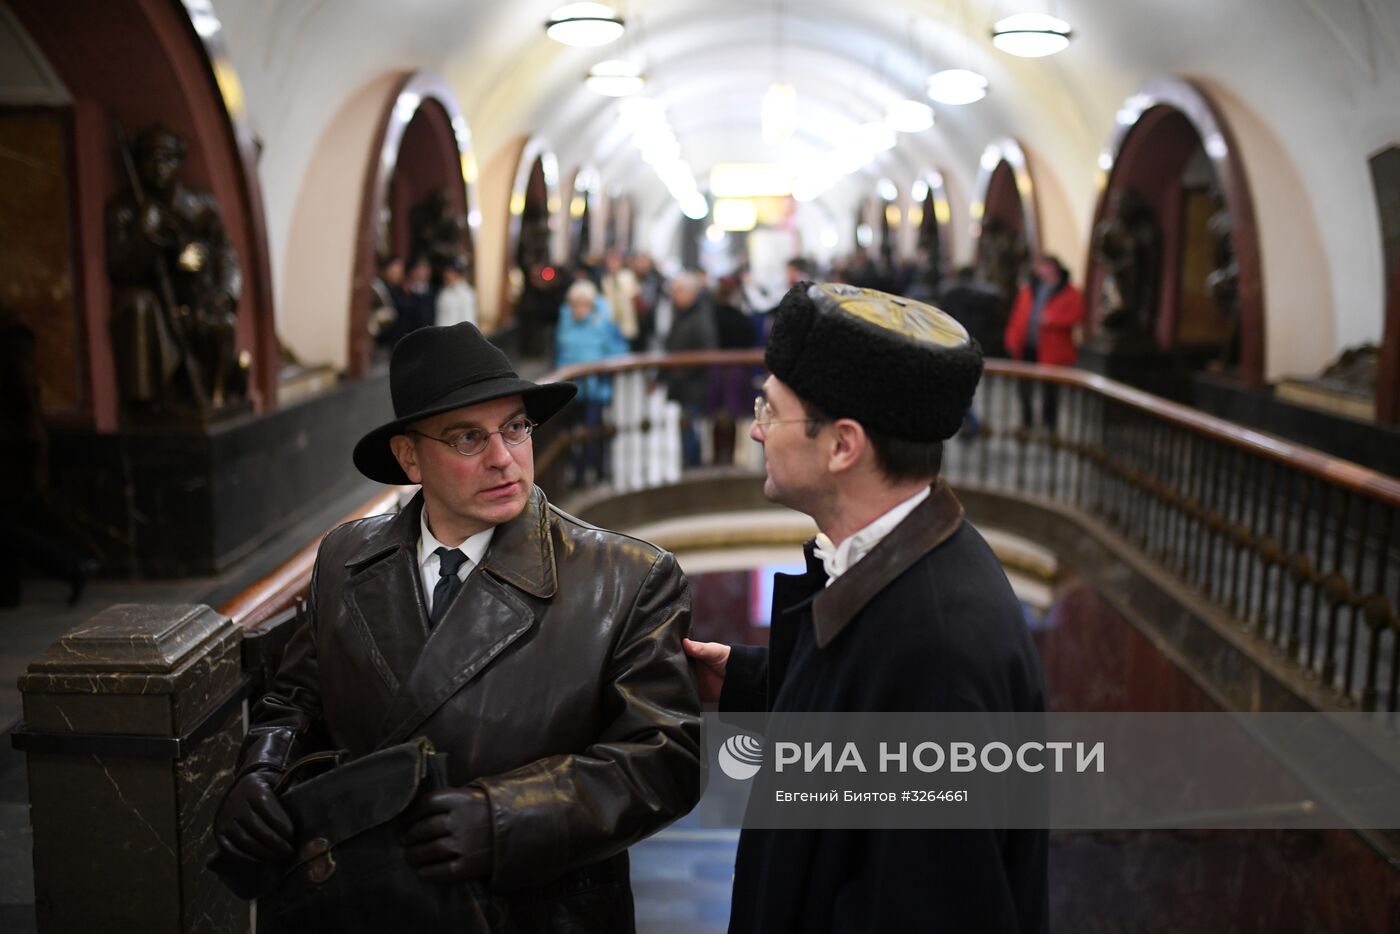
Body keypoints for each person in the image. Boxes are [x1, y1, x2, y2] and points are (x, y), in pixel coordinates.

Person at [214, 322, 702, 931]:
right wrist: (259, 770)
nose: (504, 459)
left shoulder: (627, 578)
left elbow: (665, 760)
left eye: (516, 427)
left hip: (533, 910)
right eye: (468, 438)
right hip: (366, 904)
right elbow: (296, 698)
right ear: (409, 457)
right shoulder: (344, 558)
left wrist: (506, 817)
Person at [684, 282, 1048, 934]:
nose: (758, 432)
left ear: (842, 445)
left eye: (770, 409)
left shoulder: (939, 650)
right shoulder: (897, 567)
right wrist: (746, 681)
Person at [555, 279, 628, 486]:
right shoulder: (565, 321)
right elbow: (560, 351)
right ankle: (579, 474)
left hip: (596, 388)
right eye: (575, 304)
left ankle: (595, 472)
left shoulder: (602, 322)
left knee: (593, 429)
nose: (579, 309)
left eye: (583, 304)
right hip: (571, 388)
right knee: (575, 433)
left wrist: (603, 368)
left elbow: (618, 348)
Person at [1003, 255, 1085, 430]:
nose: (1041, 270)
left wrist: (1052, 320)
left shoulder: (1069, 292)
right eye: (1040, 266)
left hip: (1052, 349)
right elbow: (1017, 316)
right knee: (1024, 386)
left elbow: (1077, 314)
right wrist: (1012, 338)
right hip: (1027, 346)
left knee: (1051, 389)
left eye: (1045, 266)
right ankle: (1027, 421)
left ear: (1055, 268)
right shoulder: (1029, 290)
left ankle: (1049, 424)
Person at [659, 272, 718, 467]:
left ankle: (692, 466)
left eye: (678, 291)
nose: (675, 295)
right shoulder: (682, 315)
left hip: (694, 385)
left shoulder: (700, 318)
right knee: (685, 427)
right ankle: (688, 464)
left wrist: (684, 372)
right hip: (683, 384)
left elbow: (707, 351)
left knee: (691, 428)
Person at [435, 257, 478, 328]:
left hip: (456, 337)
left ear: (457, 273)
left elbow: (469, 321)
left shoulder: (466, 293)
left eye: (449, 272)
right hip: (440, 335)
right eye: (445, 271)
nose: (445, 275)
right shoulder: (444, 291)